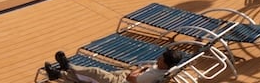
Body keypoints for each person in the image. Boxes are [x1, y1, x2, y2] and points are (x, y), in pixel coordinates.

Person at [43, 48, 181, 83]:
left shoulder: (152, 76)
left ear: (165, 63)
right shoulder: (169, 68)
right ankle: (58, 74)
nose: (158, 58)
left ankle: (68, 67)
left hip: (123, 81)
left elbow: (131, 78)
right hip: (126, 76)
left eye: (161, 58)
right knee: (91, 77)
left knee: (95, 73)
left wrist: (140, 69)